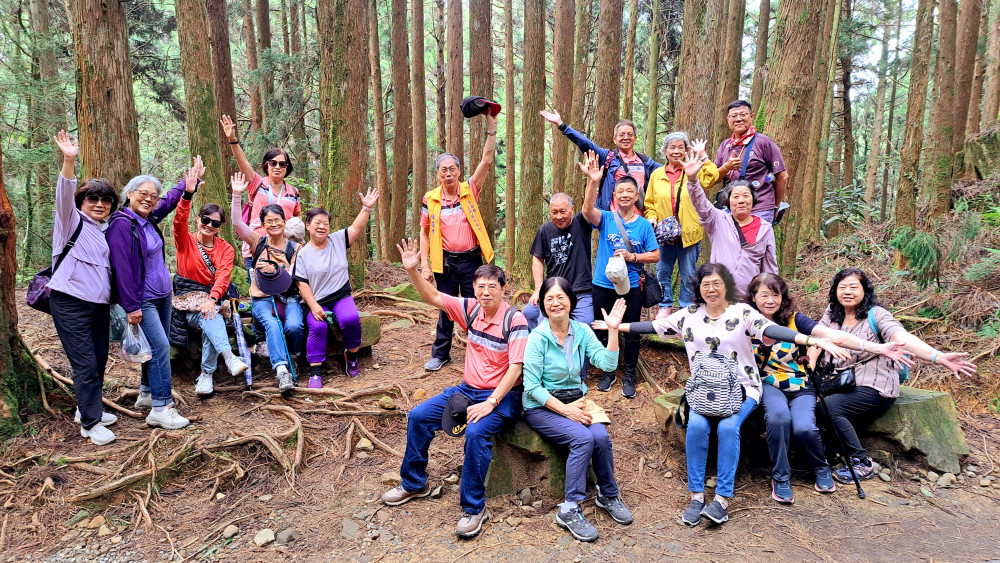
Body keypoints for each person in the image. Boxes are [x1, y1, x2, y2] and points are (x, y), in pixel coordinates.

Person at [596, 263, 847, 526]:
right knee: (696, 427)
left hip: (742, 388)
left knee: (728, 428)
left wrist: (809, 340)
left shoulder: (742, 312)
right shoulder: (689, 315)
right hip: (704, 391)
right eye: (706, 284)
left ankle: (721, 500)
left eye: (717, 283)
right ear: (698, 288)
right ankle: (696, 497)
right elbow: (654, 327)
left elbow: (770, 330)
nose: (711, 289)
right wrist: (618, 326)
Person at [382, 239, 528, 539]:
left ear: (503, 289)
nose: (485, 292)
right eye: (480, 286)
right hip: (467, 389)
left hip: (504, 396)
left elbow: (516, 368)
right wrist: (412, 271)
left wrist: (491, 403)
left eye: (492, 287)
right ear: (473, 288)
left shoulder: (515, 319)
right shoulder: (471, 309)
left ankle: (474, 509)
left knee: (475, 433)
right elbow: (434, 296)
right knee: (419, 416)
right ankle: (413, 483)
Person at [746, 273, 910, 503]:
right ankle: (781, 477)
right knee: (778, 418)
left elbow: (828, 335)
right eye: (764, 295)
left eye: (776, 294)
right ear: (753, 297)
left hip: (801, 383)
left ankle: (821, 468)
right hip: (768, 383)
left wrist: (875, 347)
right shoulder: (744, 321)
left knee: (804, 426)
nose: (770, 300)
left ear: (783, 297)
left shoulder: (796, 319)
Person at [814, 268, 977, 483]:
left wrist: (937, 356)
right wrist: (811, 362)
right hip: (841, 382)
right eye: (842, 287)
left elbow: (901, 337)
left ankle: (861, 462)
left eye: (854, 287)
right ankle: (830, 452)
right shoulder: (833, 313)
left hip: (874, 386)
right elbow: (817, 336)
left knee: (830, 408)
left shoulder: (877, 314)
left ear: (865, 290)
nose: (847, 292)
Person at [522, 277, 632, 542]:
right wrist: (567, 412)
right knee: (582, 438)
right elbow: (531, 386)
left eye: (561, 297)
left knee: (601, 437)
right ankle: (570, 508)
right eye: (549, 298)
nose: (555, 303)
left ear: (571, 301)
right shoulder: (538, 337)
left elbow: (606, 364)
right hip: (542, 405)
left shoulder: (581, 330)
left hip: (576, 399)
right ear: (543, 305)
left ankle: (608, 494)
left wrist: (613, 331)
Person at [49, 131, 120, 445]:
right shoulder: (70, 220)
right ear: (81, 202)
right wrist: (69, 159)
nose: (100, 204)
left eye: (106, 200)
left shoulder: (104, 232)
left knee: (100, 358)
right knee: (85, 362)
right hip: (70, 302)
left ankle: (86, 408)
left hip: (98, 306)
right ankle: (90, 425)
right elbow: (64, 192)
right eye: (93, 198)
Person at [107, 164, 192, 430]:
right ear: (129, 194)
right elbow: (121, 267)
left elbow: (167, 202)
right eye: (143, 193)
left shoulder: (148, 219)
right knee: (160, 349)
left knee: (154, 345)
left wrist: (189, 183)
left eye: (153, 195)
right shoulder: (121, 224)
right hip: (141, 298)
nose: (149, 199)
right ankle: (161, 407)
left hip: (163, 294)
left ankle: (146, 393)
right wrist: (131, 306)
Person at [420, 111, 499, 372]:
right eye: (444, 170)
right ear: (438, 174)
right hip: (445, 261)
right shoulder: (430, 198)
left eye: (452, 169)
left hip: (472, 260)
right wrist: (425, 265)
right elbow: (424, 231)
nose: (448, 173)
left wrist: (491, 128)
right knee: (445, 308)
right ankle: (441, 353)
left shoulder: (469, 190)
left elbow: (487, 161)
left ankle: (478, 350)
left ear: (459, 171)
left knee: (476, 305)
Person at [579, 150, 659, 398]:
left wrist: (633, 257)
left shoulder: (644, 224)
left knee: (631, 330)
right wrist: (593, 181)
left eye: (629, 192)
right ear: (614, 195)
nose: (624, 195)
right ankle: (607, 371)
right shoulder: (605, 218)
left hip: (631, 286)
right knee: (602, 329)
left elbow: (655, 255)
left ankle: (629, 375)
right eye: (620, 192)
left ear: (637, 195)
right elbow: (586, 211)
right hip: (602, 284)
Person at [220, 114, 302, 356]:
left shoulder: (293, 191)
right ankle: (260, 341)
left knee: (286, 290)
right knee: (260, 291)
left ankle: (287, 340)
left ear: (288, 168)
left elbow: (296, 220)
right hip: (256, 246)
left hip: (284, 250)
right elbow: (243, 163)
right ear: (266, 165)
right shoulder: (258, 184)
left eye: (283, 163)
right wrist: (233, 140)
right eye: (273, 163)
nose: (278, 167)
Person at [171, 163, 248, 397]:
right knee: (208, 315)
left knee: (210, 316)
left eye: (215, 223)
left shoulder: (225, 249)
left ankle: (206, 375)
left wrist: (212, 299)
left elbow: (224, 275)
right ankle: (228, 357)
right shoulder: (185, 241)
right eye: (206, 219)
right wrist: (188, 193)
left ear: (220, 227)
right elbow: (178, 220)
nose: (209, 225)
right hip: (188, 303)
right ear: (198, 218)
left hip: (213, 302)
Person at [293, 191, 379, 387]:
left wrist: (367, 207)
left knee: (350, 319)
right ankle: (315, 372)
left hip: (340, 295)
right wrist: (314, 306)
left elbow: (358, 227)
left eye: (326, 223)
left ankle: (352, 355)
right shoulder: (303, 254)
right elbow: (301, 283)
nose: (322, 227)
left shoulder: (338, 240)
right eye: (317, 223)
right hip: (316, 300)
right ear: (308, 226)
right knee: (318, 326)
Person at [231, 172, 305, 392]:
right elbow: (237, 223)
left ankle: (295, 358)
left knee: (294, 326)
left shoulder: (295, 248)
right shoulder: (257, 241)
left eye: (278, 220)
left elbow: (300, 279)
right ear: (262, 224)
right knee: (272, 325)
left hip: (289, 297)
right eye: (268, 221)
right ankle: (282, 371)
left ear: (285, 221)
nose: (274, 224)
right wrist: (237, 195)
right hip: (262, 298)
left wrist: (285, 267)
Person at [685, 139, 777, 295]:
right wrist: (693, 180)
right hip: (719, 297)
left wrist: (770, 295)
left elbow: (769, 267)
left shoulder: (765, 228)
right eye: (736, 196)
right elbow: (700, 203)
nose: (741, 200)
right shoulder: (717, 220)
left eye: (746, 196)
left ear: (753, 200)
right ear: (727, 201)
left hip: (750, 300)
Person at [645, 132, 715, 319]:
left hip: (689, 232)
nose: (676, 151)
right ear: (665, 151)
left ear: (686, 151)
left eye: (680, 147)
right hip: (664, 234)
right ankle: (665, 305)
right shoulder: (656, 175)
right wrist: (651, 217)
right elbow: (649, 203)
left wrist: (704, 156)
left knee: (689, 274)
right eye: (672, 148)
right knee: (663, 272)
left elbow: (712, 178)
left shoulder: (693, 169)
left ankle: (685, 308)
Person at [540, 109, 660, 211]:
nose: (626, 138)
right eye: (622, 135)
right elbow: (584, 142)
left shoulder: (645, 161)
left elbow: (666, 171)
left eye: (629, 135)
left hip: (640, 221)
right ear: (615, 139)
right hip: (613, 220)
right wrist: (562, 125)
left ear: (635, 139)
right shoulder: (608, 157)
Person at [523, 193, 594, 330]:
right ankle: (537, 347)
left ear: (572, 209)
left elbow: (588, 207)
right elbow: (537, 258)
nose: (559, 216)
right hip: (552, 290)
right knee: (529, 314)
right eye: (554, 212)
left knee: (586, 323)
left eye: (563, 211)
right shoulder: (545, 230)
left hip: (580, 290)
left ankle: (576, 350)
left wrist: (592, 180)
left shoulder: (581, 223)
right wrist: (538, 288)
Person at [713, 100, 788, 223]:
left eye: (743, 114)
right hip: (731, 208)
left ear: (752, 117)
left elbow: (782, 176)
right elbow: (715, 178)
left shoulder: (763, 142)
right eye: (733, 116)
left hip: (760, 208)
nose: (738, 119)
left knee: (755, 242)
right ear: (728, 120)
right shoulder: (725, 145)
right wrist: (726, 167)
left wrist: (775, 206)